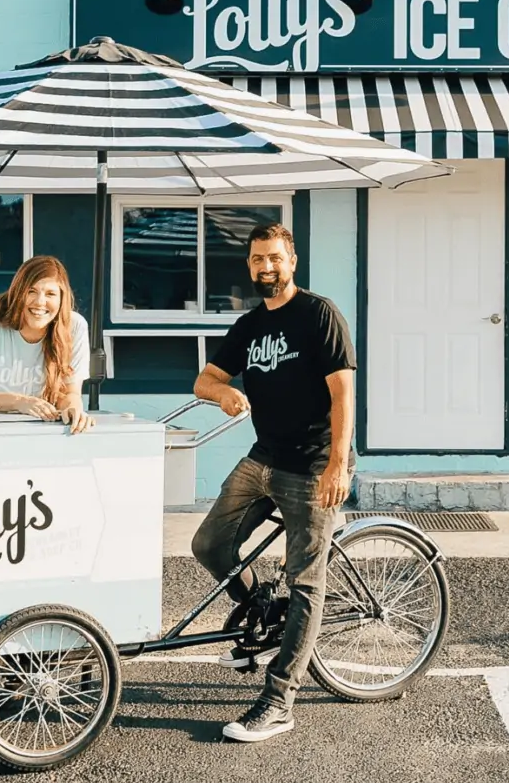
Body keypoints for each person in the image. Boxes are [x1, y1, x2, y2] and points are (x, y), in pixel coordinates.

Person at [191, 222, 356, 744]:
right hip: (262, 459)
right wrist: (223, 394)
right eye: (258, 259)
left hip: (310, 465)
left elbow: (343, 394)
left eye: (275, 258)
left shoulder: (318, 315)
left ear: (293, 261)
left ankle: (280, 700)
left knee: (306, 582)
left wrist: (338, 464)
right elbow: (204, 378)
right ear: (250, 266)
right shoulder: (250, 324)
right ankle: (261, 606)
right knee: (209, 544)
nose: (267, 267)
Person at [0, 255, 95, 434]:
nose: (40, 302)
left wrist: (73, 408)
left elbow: (69, 394)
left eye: (50, 293)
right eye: (31, 291)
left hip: (40, 434)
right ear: (18, 292)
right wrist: (20, 402)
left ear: (62, 298)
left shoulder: (75, 327)